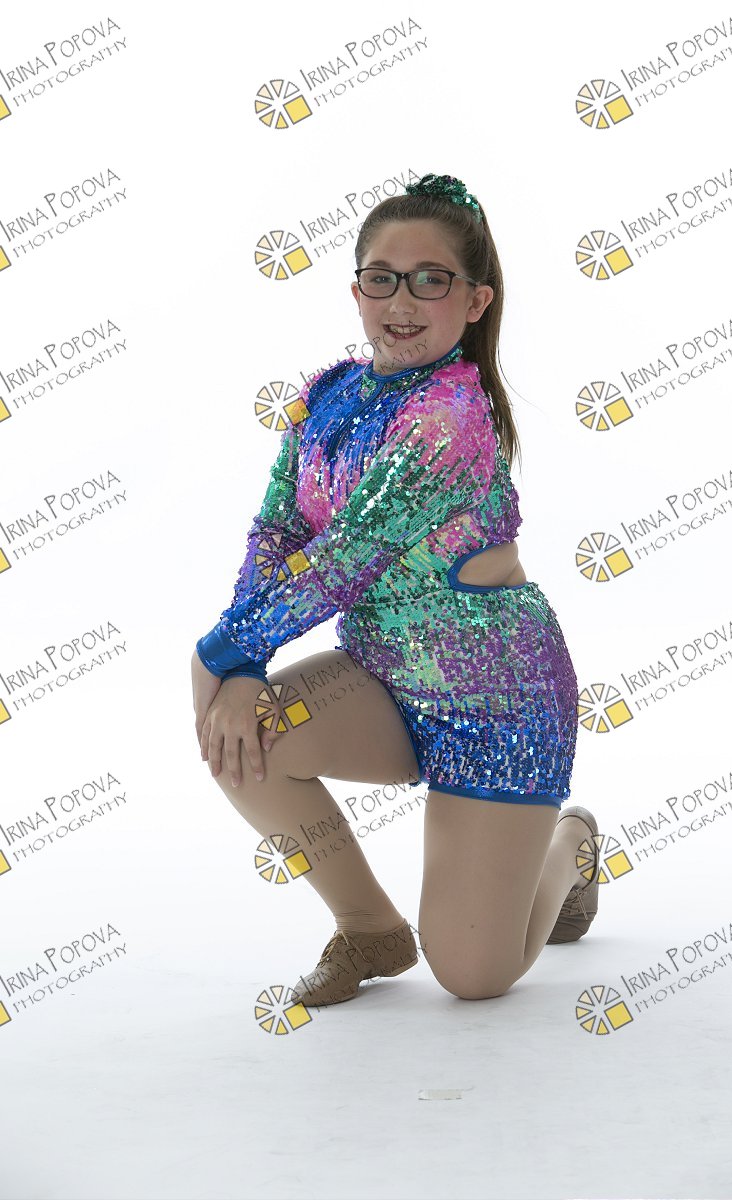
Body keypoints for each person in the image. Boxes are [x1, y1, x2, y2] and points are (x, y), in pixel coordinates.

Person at [191, 173, 601, 1007]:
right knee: (218, 692)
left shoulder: (452, 417)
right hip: (382, 677)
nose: (402, 301)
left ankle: (574, 845)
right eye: (382, 278)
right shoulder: (326, 395)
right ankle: (369, 927)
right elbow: (278, 532)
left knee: (474, 976)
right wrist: (235, 663)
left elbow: (345, 558)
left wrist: (238, 650)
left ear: (475, 300)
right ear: (357, 290)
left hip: (498, 702)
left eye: (430, 280)